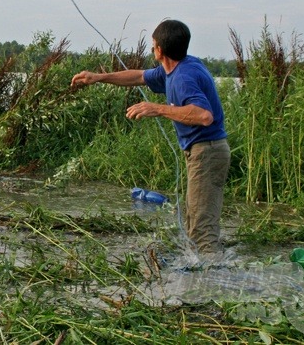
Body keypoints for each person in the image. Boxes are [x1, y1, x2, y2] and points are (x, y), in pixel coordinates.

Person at [70, 19, 230, 254]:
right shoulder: (174, 68)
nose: (152, 48)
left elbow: (204, 115)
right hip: (204, 152)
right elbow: (138, 77)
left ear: (159, 50)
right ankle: (203, 273)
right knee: (194, 219)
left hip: (207, 152)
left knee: (202, 230)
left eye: (153, 44)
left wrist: (158, 108)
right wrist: (98, 77)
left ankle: (213, 282)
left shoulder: (183, 77)